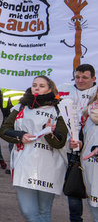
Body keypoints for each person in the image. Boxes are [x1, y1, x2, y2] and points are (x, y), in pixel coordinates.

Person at [0, 76, 68, 222]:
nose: (36, 88)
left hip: (50, 166)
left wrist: (49, 132)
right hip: (24, 164)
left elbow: (60, 142)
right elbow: (4, 130)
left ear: (50, 89)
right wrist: (21, 136)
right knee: (29, 212)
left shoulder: (59, 109)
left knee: (44, 212)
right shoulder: (21, 106)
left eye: (41, 86)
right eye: (34, 85)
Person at [58, 64, 97, 222]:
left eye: (85, 77)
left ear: (93, 78)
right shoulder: (64, 89)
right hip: (71, 149)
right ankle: (75, 219)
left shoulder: (97, 93)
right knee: (74, 186)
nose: (80, 80)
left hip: (91, 150)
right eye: (77, 77)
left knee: (94, 189)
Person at [72, 97, 98, 221]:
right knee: (95, 210)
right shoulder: (87, 113)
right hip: (90, 167)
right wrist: (77, 144)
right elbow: (83, 138)